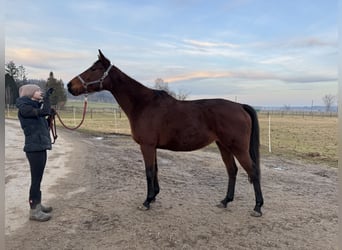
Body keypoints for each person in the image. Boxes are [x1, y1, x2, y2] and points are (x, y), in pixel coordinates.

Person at [15, 84, 54, 222]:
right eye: (37, 91)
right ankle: (34, 211)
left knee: (38, 178)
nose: (40, 92)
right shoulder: (25, 108)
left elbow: (42, 117)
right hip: (34, 148)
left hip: (39, 146)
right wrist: (47, 100)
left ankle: (37, 204)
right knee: (36, 180)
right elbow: (44, 112)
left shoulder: (34, 106)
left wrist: (49, 119)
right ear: (30, 93)